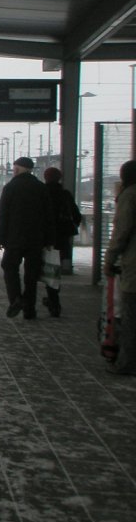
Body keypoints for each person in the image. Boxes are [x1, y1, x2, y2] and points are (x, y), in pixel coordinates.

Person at [0, 157, 55, 319]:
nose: (13, 171)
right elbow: (49, 215)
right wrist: (49, 239)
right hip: (36, 239)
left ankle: (16, 299)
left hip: (14, 238)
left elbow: (3, 215)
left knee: (9, 266)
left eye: (15, 168)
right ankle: (30, 310)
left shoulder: (10, 187)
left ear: (19, 169)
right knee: (31, 275)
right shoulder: (41, 188)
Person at [104, 160, 136, 374]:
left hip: (134, 265)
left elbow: (122, 231)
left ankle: (128, 363)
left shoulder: (130, 195)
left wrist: (110, 258)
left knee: (131, 316)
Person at [40, 167, 82, 316]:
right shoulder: (65, 195)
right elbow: (77, 216)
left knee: (44, 270)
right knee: (54, 270)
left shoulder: (41, 193)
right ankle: (53, 299)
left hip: (44, 239)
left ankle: (53, 302)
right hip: (61, 239)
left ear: (45, 177)